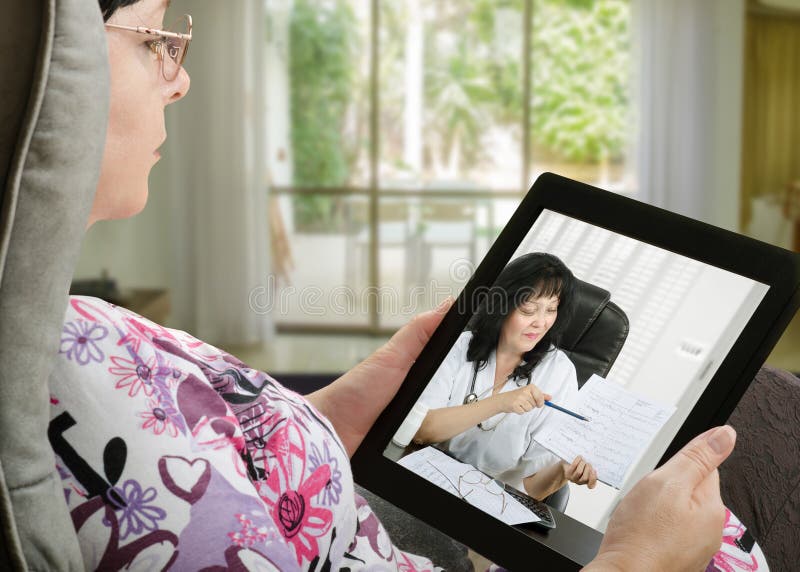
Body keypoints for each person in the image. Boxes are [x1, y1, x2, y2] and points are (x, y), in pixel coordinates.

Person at [46, 0, 738, 570]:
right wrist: (632, 563)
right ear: (49, 56)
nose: (180, 79)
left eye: (553, 310)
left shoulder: (78, 324)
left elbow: (527, 484)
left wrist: (344, 409)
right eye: (154, 40)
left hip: (442, 500)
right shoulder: (71, 415)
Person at [413, 253, 597, 501]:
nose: (541, 322)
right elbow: (422, 430)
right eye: (529, 309)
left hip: (494, 502)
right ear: (503, 305)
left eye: (551, 310)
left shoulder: (559, 373)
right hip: (425, 479)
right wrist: (500, 403)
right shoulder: (460, 346)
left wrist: (561, 473)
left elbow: (531, 490)